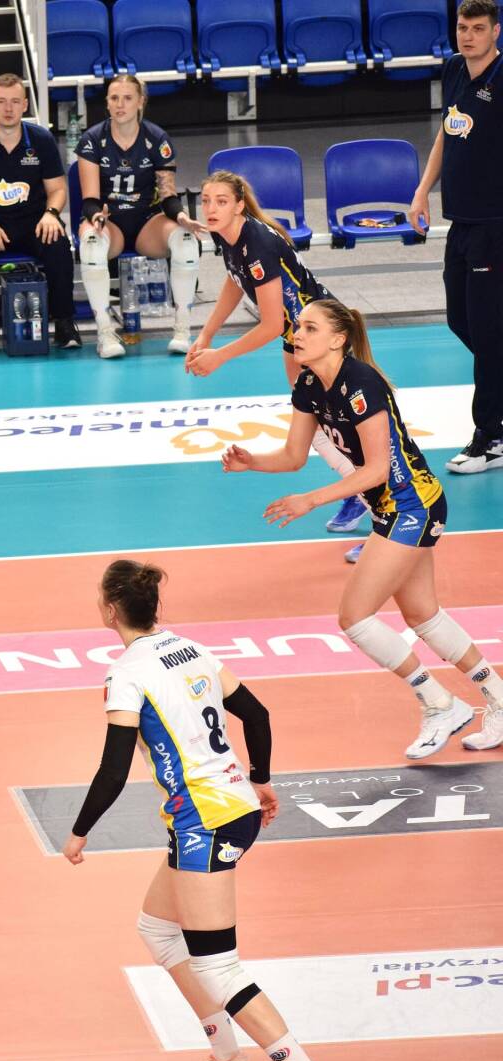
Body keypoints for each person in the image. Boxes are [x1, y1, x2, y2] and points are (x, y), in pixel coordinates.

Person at [221, 299, 503, 755]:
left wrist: (311, 500)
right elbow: (293, 456)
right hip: (391, 509)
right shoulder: (309, 384)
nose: (297, 334)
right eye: (297, 326)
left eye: (310, 328)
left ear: (338, 339)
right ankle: (499, 699)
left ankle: (439, 704)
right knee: (422, 615)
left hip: (414, 504)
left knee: (354, 617)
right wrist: (251, 461)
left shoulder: (361, 383)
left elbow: (375, 470)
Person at [65, 559, 316, 1061]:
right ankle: (225, 1052)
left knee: (219, 968)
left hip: (205, 822)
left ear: (109, 611)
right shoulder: (193, 649)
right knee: (158, 929)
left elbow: (114, 770)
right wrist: (261, 781)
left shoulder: (126, 674)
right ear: (154, 606)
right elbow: (257, 715)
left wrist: (79, 831)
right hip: (234, 807)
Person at [186, 170, 373, 552]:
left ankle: (379, 512)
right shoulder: (229, 236)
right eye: (205, 201)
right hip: (299, 335)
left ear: (239, 205)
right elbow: (235, 281)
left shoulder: (257, 243)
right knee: (311, 417)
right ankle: (355, 488)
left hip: (320, 334)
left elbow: (271, 324)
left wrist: (220, 356)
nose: (211, 208)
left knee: (346, 426)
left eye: (221, 201)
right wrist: (206, 334)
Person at [412, 0, 503, 477]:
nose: (468, 36)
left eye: (478, 28)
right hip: (461, 221)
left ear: (496, 32)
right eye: (462, 27)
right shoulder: (453, 70)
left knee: (487, 332)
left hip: (495, 224)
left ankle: (491, 437)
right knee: (460, 320)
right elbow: (447, 135)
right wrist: (422, 190)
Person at [74, 73, 202, 358]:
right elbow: (90, 201)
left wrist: (181, 217)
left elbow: (168, 196)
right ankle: (105, 333)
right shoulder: (92, 140)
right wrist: (96, 217)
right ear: (107, 102)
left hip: (147, 223)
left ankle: (182, 330)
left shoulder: (157, 139)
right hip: (110, 223)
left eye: (127, 98)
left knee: (185, 239)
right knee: (91, 242)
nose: (120, 104)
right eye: (114, 98)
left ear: (141, 102)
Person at [0, 73, 80, 354]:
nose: (8, 108)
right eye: (1, 101)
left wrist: (51, 214)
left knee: (59, 244)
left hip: (35, 221)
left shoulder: (42, 140)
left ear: (25, 105)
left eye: (14, 101)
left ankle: (64, 323)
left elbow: (58, 190)